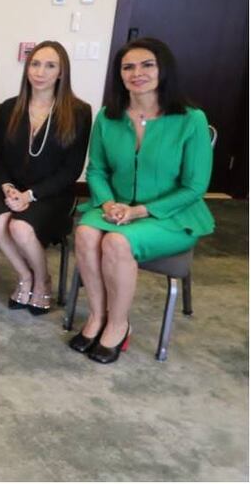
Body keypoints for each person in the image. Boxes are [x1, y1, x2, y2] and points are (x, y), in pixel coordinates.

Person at [72, 37, 214, 364]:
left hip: (172, 215)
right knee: (86, 233)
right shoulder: (108, 117)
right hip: (115, 207)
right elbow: (97, 170)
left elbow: (195, 186)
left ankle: (119, 325)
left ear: (163, 69)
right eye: (128, 67)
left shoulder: (191, 119)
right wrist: (107, 204)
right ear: (119, 75)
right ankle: (97, 316)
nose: (137, 73)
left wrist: (139, 211)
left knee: (117, 243)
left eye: (147, 65)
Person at [0, 41, 91, 314]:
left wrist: (30, 195)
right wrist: (8, 188)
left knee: (20, 227)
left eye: (50, 66)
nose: (40, 72)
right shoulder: (10, 107)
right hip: (10, 187)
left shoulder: (79, 111)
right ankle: (25, 276)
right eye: (35, 64)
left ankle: (42, 281)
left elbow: (71, 170)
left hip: (52, 193)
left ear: (61, 72)